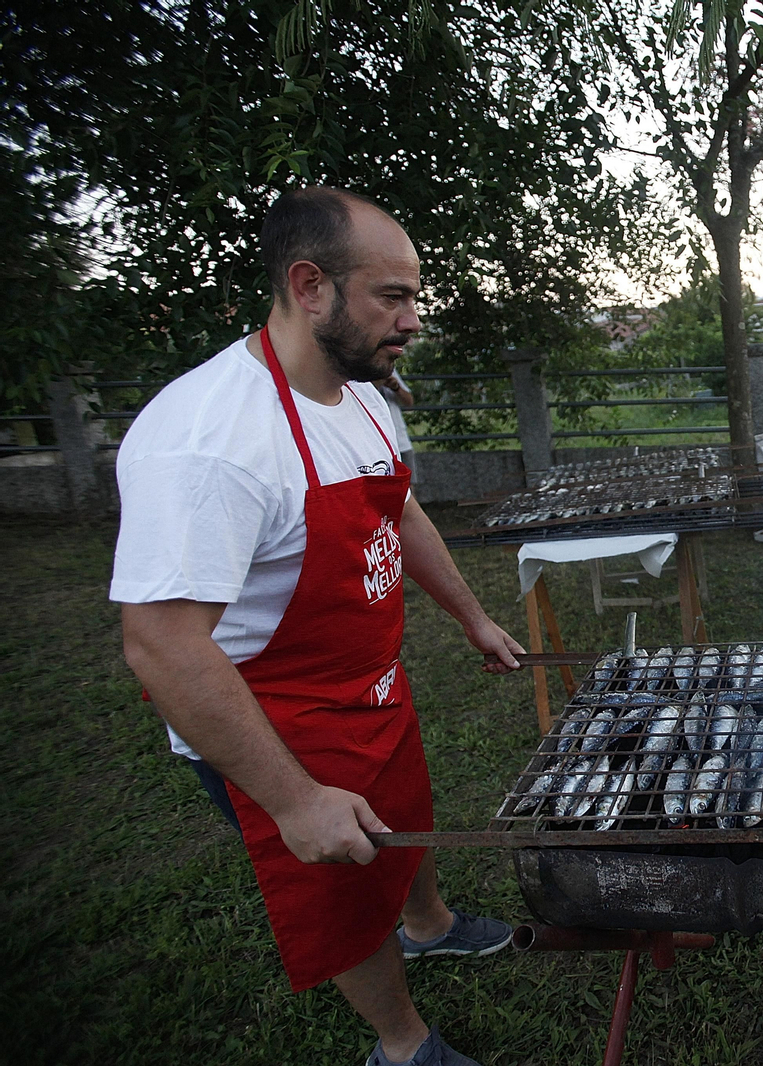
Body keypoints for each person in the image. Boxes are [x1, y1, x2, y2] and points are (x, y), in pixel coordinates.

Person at [112, 187, 528, 1066]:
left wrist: (473, 617)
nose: (413, 319)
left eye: (415, 295)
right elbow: (161, 643)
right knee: (340, 889)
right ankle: (403, 1044)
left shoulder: (364, 392)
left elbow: (398, 510)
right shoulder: (210, 441)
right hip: (278, 717)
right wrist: (296, 800)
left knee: (404, 817)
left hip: (371, 683)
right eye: (392, 296)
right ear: (310, 287)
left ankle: (430, 925)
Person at [379, 369, 417, 483]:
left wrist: (396, 388)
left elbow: (409, 401)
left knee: (408, 484)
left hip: (400, 441)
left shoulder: (387, 370)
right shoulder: (358, 375)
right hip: (377, 442)